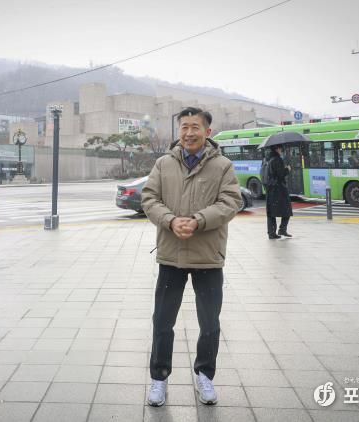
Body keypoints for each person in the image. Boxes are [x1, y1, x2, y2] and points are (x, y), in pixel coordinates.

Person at [141, 107, 242, 407]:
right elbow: (149, 198)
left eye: (195, 127)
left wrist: (198, 221)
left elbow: (231, 201)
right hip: (170, 256)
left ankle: (205, 375)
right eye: (184, 127)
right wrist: (171, 220)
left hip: (207, 256)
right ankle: (159, 378)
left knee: (209, 323)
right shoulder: (163, 163)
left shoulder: (222, 166)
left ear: (207, 132)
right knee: (162, 322)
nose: (189, 133)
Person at [265, 145, 293, 239]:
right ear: (277, 149)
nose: (282, 150)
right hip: (279, 189)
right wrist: (287, 169)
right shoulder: (277, 160)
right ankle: (282, 229)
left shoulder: (269, 160)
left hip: (271, 189)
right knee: (287, 210)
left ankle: (271, 233)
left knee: (271, 213)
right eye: (281, 149)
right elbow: (280, 174)